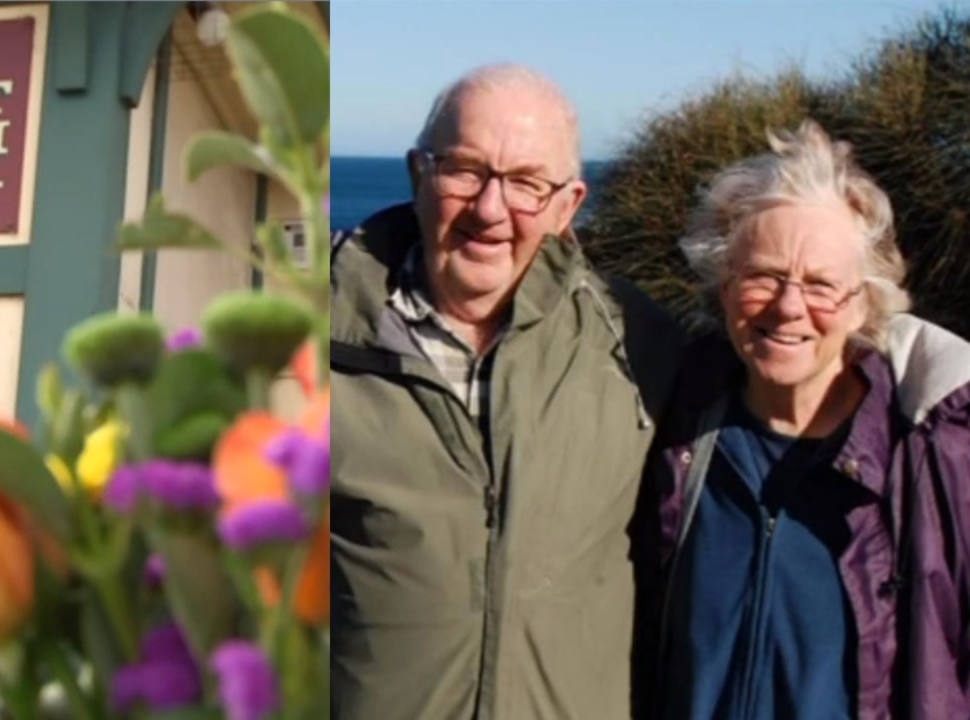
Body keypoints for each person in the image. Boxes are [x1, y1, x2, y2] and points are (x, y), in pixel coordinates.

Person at [329, 63, 684, 719]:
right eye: (465, 170)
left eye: (525, 183)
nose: (490, 210)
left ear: (568, 204)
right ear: (418, 172)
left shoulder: (642, 349)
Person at [638, 120, 970, 719]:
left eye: (821, 285)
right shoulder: (672, 436)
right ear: (724, 283)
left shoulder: (929, 461)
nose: (789, 306)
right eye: (763, 276)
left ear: (864, 303)